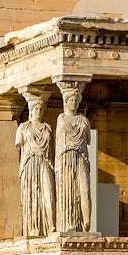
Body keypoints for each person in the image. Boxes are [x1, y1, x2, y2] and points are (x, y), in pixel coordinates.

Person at [15, 92, 55, 237]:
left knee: (48, 195)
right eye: (35, 109)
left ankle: (51, 226)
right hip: (30, 163)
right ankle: (33, 228)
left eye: (40, 109)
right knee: (32, 195)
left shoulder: (47, 128)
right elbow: (19, 144)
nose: (38, 111)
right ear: (30, 110)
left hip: (45, 162)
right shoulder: (23, 128)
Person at [55, 86, 91, 232]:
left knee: (84, 188)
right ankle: (69, 224)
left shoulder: (84, 121)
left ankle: (86, 221)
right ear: (65, 100)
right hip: (66, 157)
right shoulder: (61, 119)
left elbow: (88, 139)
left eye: (76, 100)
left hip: (81, 156)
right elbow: (58, 141)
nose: (74, 103)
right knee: (68, 190)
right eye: (71, 100)